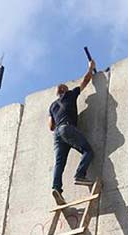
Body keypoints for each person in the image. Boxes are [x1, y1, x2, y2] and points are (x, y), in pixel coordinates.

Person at [48, 57, 97, 204]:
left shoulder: (52, 106)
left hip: (57, 134)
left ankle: (56, 188)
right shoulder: (70, 95)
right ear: (65, 90)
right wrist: (90, 67)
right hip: (67, 128)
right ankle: (80, 175)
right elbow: (85, 81)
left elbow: (50, 126)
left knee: (59, 163)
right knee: (88, 151)